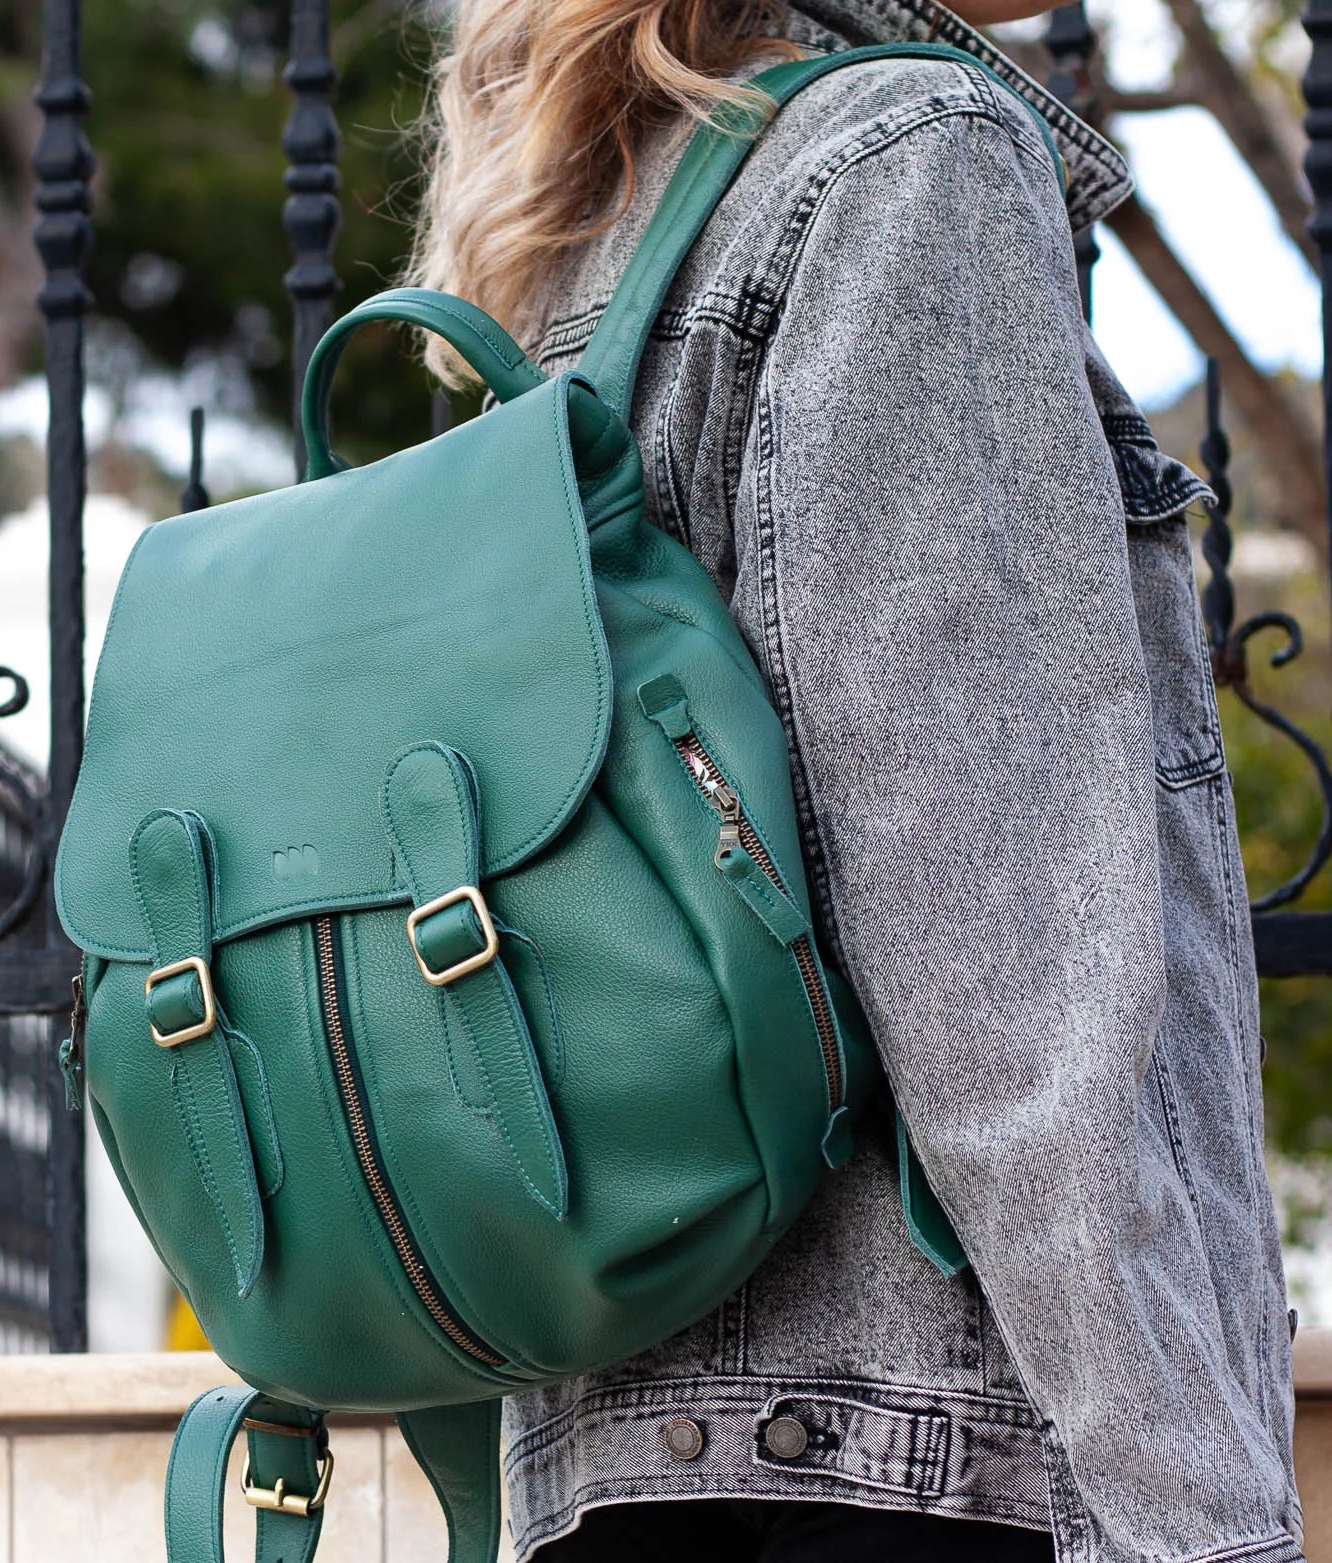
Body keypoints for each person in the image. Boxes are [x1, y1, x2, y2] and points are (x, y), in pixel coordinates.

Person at [406, 2, 1303, 1561]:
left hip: (633, 1463)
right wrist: (1203, 1522)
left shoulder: (596, 212)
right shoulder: (905, 157)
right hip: (927, 1459)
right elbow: (1005, 977)